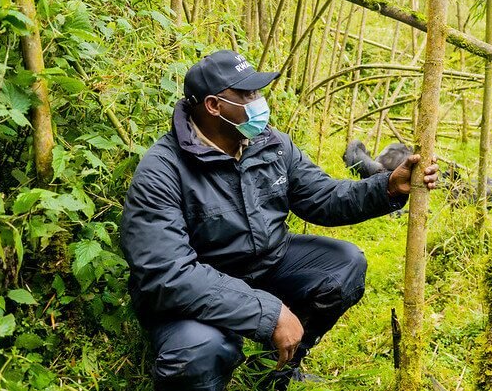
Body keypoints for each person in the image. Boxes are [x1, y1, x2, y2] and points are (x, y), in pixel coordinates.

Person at [120, 50, 439, 391]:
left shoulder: (271, 144)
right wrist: (267, 312)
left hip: (265, 265)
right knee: (198, 352)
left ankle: (274, 369)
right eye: (246, 95)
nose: (258, 101)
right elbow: (168, 276)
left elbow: (325, 198)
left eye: (258, 92)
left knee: (344, 265)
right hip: (194, 291)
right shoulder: (162, 171)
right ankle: (219, 360)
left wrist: (388, 187)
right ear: (214, 106)